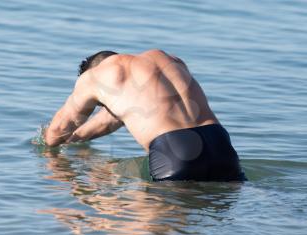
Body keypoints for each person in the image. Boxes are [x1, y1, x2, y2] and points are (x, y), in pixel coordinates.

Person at [44, 49, 246, 181]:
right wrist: (76, 138)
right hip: (220, 145)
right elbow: (110, 120)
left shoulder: (93, 77)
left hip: (174, 150)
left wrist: (46, 146)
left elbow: (58, 131)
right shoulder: (168, 59)